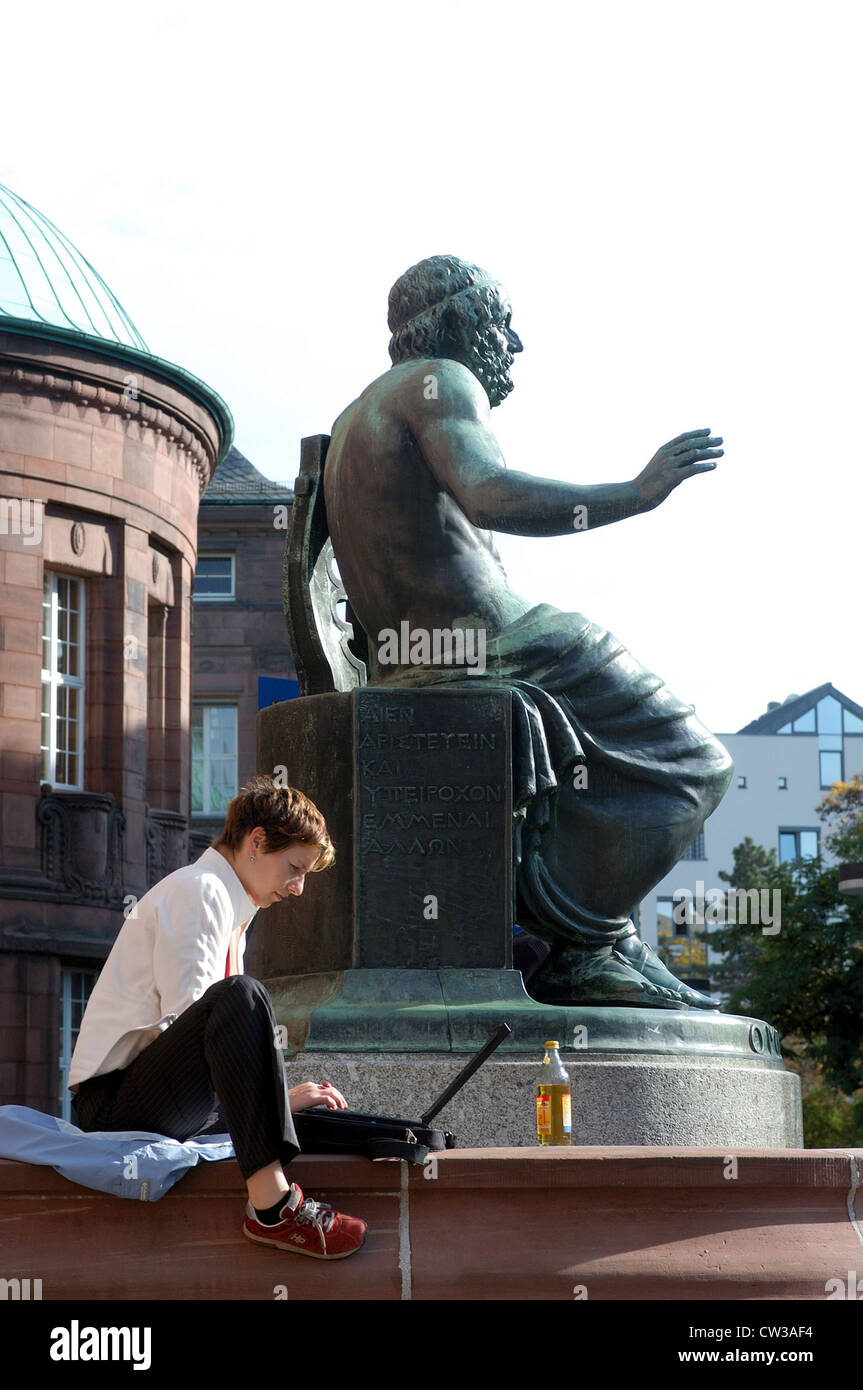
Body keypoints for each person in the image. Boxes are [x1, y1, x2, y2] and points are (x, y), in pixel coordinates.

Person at [323, 254, 734, 1008]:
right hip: (502, 646)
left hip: (413, 659)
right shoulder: (441, 381)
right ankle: (586, 937)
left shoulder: (359, 415)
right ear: (454, 323)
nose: (513, 343)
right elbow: (488, 495)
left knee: (631, 766)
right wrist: (634, 493)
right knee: (698, 764)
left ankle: (604, 940)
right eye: (500, 321)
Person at [69, 776, 367, 1260]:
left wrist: (278, 1101)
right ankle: (272, 1209)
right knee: (241, 996)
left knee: (243, 1003)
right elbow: (203, 1023)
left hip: (149, 1099)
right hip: (113, 1106)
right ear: (256, 842)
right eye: (294, 868)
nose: (298, 887)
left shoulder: (229, 907)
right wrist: (273, 1101)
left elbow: (208, 1047)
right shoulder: (200, 890)